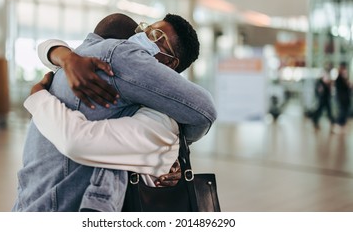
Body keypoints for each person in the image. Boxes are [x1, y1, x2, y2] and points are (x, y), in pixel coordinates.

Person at [13, 13, 216, 212]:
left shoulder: (117, 61)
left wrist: (38, 97)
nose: (144, 35)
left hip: (37, 201)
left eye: (156, 37)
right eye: (147, 29)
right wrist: (65, 57)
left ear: (171, 64)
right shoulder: (88, 63)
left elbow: (205, 110)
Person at [334, 62, 351, 133]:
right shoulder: (339, 78)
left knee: (344, 111)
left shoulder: (344, 78)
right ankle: (338, 124)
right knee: (342, 111)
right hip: (342, 98)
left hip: (345, 98)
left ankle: (342, 124)